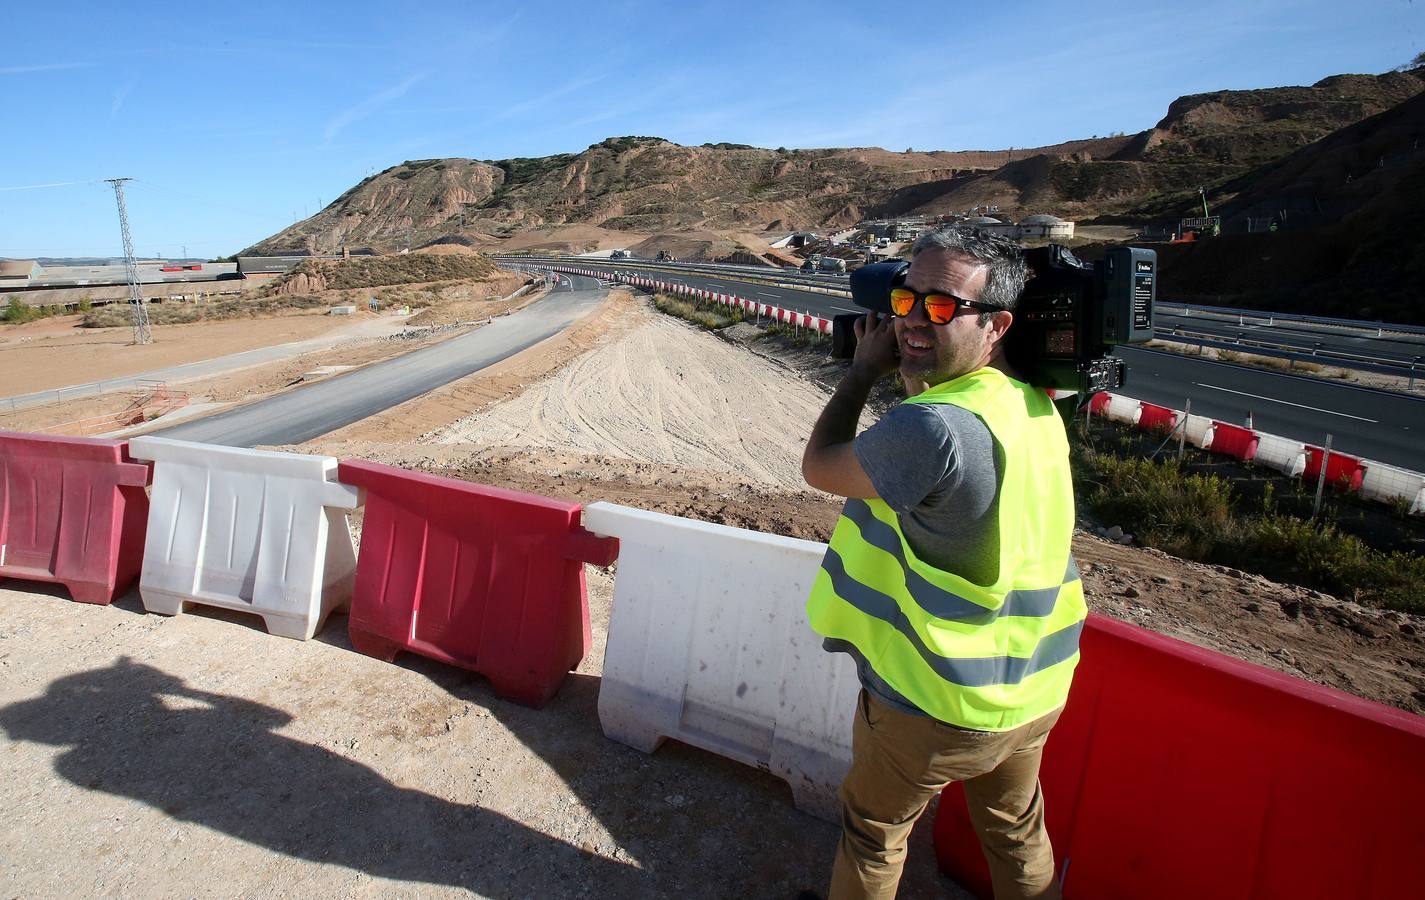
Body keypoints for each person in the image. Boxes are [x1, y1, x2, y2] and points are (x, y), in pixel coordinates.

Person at [801, 226, 1085, 900]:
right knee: (1014, 830)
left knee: (873, 833)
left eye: (940, 307)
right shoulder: (1034, 403)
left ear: (997, 325)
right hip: (1032, 689)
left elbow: (819, 468)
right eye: (905, 301)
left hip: (933, 700)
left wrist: (862, 371)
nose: (910, 322)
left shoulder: (932, 427)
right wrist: (913, 371)